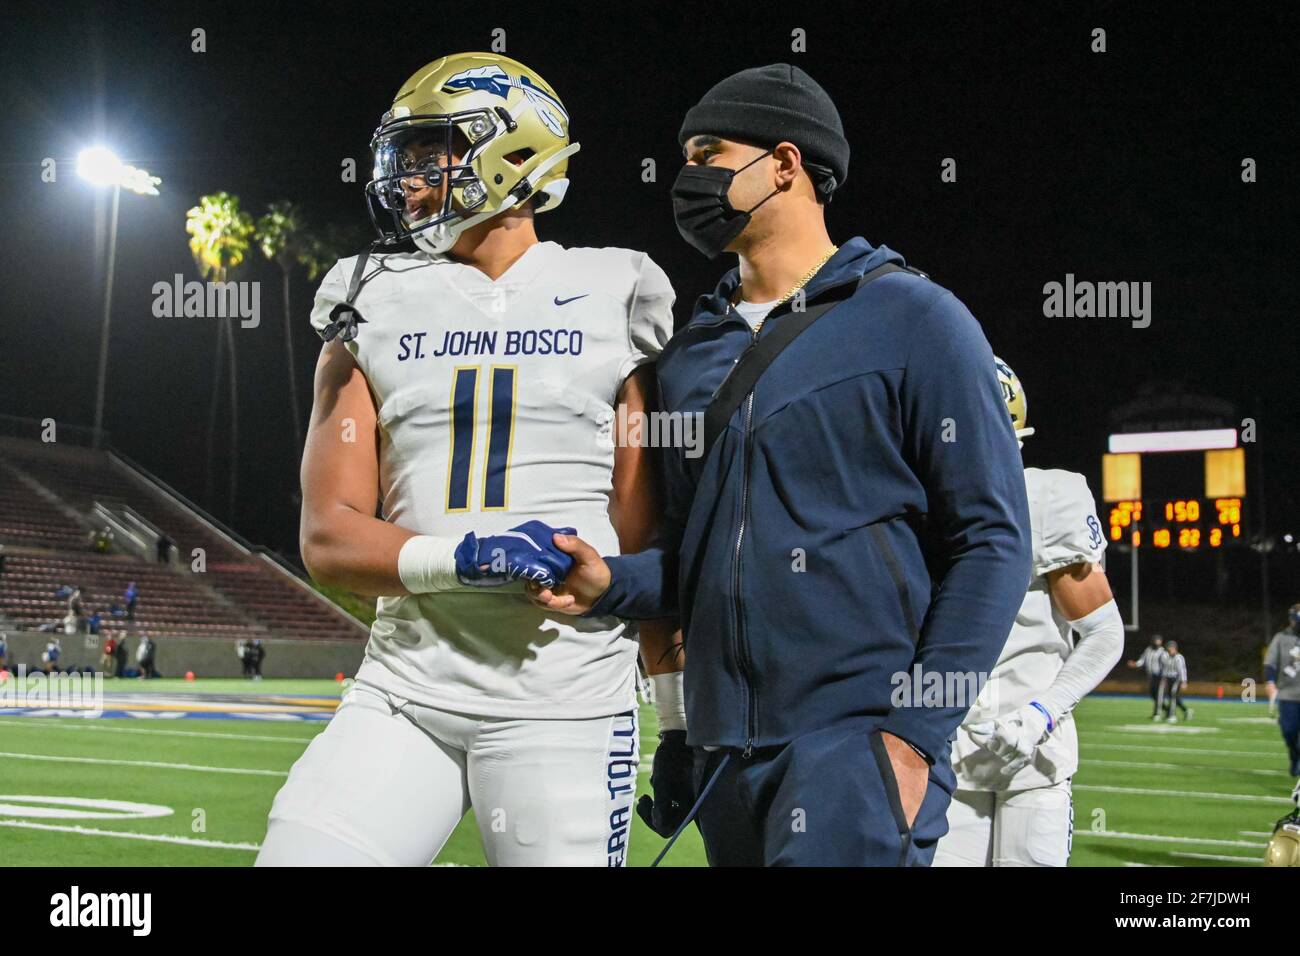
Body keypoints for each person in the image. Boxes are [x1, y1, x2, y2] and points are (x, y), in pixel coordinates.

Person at [529, 64, 1031, 866]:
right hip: (724, 750)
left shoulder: (917, 320)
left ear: (788, 164)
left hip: (854, 744)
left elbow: (994, 542)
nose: (688, 176)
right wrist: (608, 584)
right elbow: (694, 557)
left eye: (709, 151)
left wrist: (911, 739)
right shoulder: (691, 352)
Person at [256, 52, 678, 868]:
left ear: (511, 151)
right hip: (405, 691)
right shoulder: (369, 295)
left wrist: (681, 715)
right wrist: (470, 558)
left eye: (428, 154)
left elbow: (643, 545)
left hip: (566, 702)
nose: (408, 181)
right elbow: (330, 539)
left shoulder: (614, 290)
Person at [931, 358, 1125, 867]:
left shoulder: (1044, 497)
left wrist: (1042, 712)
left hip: (1033, 757)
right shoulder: (917, 503)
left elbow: (1104, 633)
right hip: (947, 756)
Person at [1264, 604, 1300, 777]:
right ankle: (1295, 757)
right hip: (1288, 693)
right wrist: (1270, 681)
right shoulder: (1281, 638)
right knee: (1289, 730)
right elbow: (1270, 662)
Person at [1127, 633, 1165, 717]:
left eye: (1159, 641)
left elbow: (1165, 665)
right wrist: (1135, 664)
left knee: (1159, 694)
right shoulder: (1148, 650)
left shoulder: (1162, 652)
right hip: (1151, 675)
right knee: (1152, 693)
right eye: (1156, 641)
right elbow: (1142, 660)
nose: (1157, 643)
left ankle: (1157, 714)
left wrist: (1164, 677)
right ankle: (1166, 709)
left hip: (1159, 675)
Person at [1157, 640, 1191, 722]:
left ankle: (1172, 715)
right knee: (1173, 697)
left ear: (1174, 648)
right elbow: (1165, 668)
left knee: (1172, 695)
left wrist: (1184, 681)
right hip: (1168, 678)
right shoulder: (1167, 657)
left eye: (1170, 648)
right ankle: (1186, 711)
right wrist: (1164, 678)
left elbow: (1182, 670)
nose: (1169, 650)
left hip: (1176, 679)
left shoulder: (1179, 657)